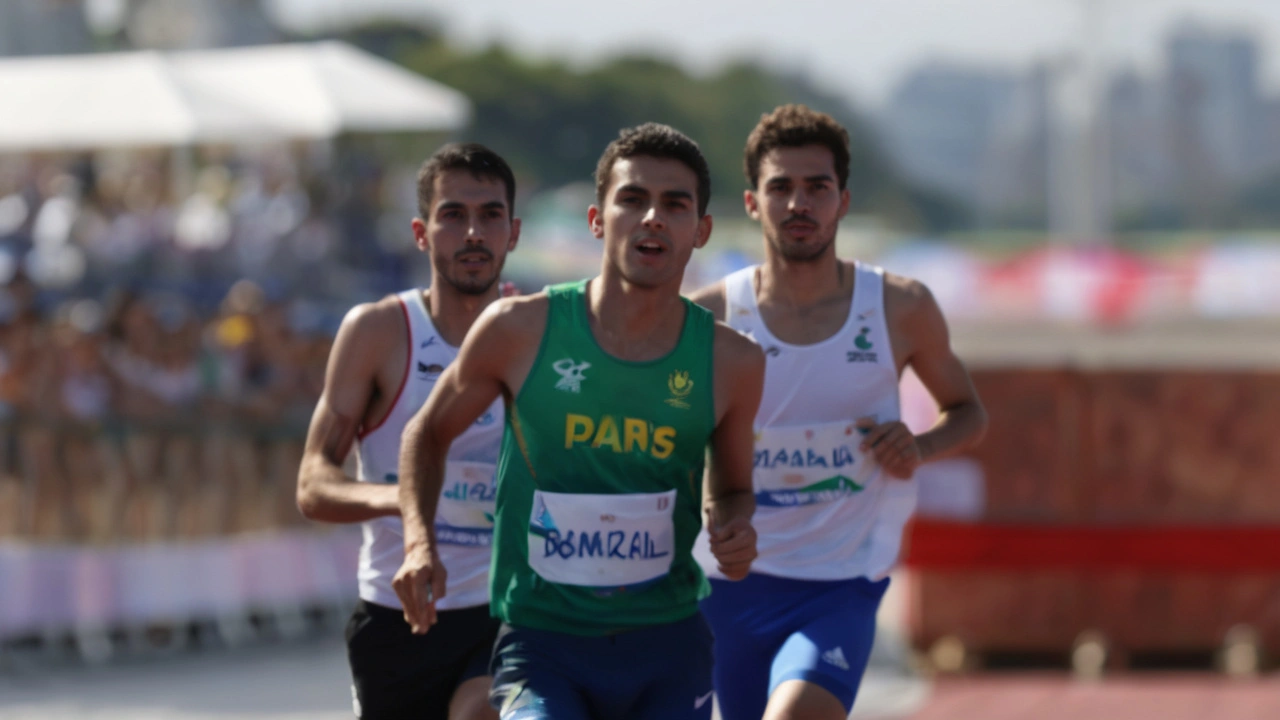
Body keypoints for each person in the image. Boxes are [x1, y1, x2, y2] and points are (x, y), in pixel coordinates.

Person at [394, 123, 765, 720]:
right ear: (597, 219)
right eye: (632, 199)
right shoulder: (518, 329)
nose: (652, 219)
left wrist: (735, 528)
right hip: (543, 646)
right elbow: (426, 432)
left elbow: (734, 491)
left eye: (674, 205)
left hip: (667, 646)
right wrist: (418, 544)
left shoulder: (734, 361)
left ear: (702, 230)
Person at [690, 105, 989, 720]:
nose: (799, 203)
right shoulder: (709, 317)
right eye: (781, 187)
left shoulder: (899, 307)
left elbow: (967, 413)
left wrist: (920, 446)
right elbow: (663, 439)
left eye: (816, 187)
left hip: (842, 583)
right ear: (752, 203)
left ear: (843, 201)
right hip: (727, 585)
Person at [296, 143, 521, 720]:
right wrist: (407, 501)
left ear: (513, 232)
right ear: (422, 233)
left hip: (507, 611)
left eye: (490, 215)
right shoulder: (379, 332)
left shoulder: (536, 329)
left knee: (481, 714)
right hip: (398, 613)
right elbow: (314, 486)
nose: (473, 232)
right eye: (453, 215)